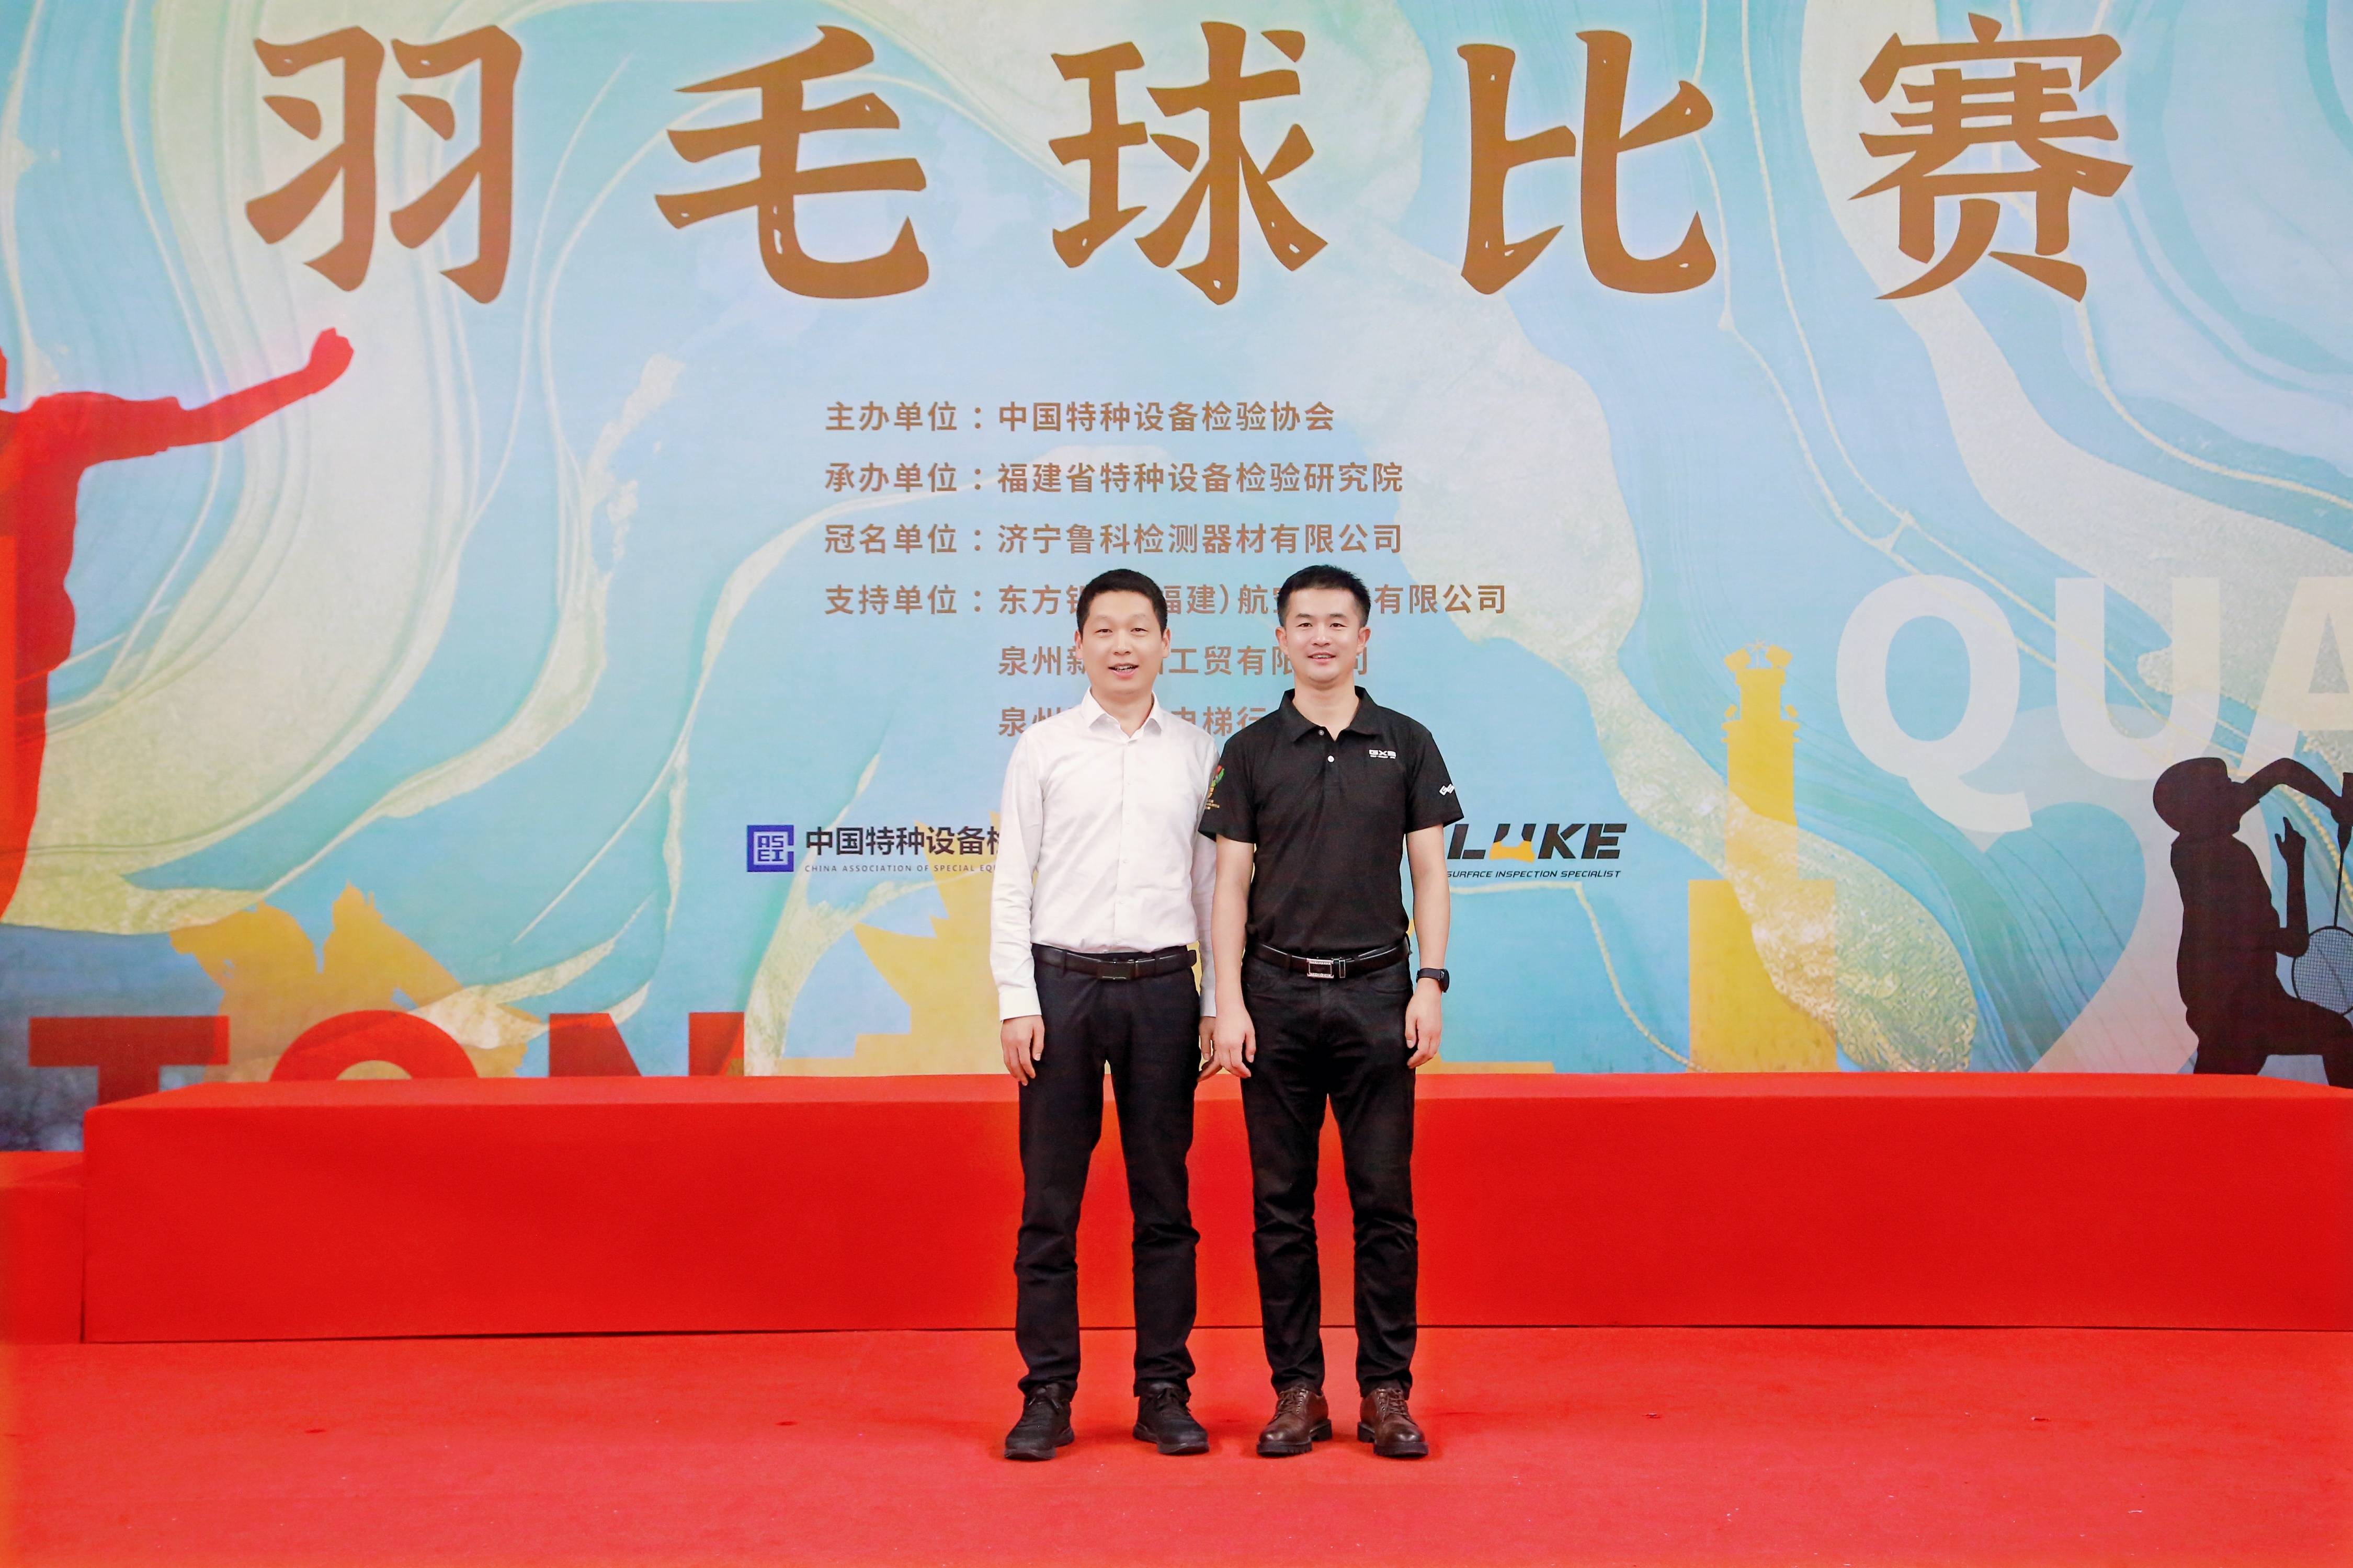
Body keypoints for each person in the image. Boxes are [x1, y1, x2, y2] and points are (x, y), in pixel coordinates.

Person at [1200, 563, 1462, 1460]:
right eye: (1304, 622)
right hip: (1272, 996)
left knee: (1383, 1202)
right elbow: (1228, 884)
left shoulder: (1407, 741)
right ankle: (1297, 1389)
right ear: (1280, 638)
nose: (1320, 636)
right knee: (1280, 1206)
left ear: (1363, 637)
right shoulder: (1248, 750)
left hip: (1377, 993)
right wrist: (1227, 1000)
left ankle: (1386, 1389)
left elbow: (1429, 872)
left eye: (1336, 622)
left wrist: (1429, 981)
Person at [0, 328, 353, 919]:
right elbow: (201, 425)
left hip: (21, 674)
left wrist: (305, 380)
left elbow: (203, 425)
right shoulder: (57, 428)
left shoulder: (57, 427)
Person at [990, 568, 1221, 1460]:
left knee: (1164, 1202)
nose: (1121, 645)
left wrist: (1216, 1002)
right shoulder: (1042, 746)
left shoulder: (1198, 751)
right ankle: (1046, 1392)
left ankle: (1163, 1389)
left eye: (1138, 628)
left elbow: (1211, 890)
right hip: (1061, 991)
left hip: (1164, 990)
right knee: (1049, 1203)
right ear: (1077, 644)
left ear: (1165, 643)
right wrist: (1017, 999)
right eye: (1104, 629)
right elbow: (1012, 880)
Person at [2154, 754, 2353, 1086]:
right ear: (2203, 809)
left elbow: (2294, 943)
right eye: (2224, 788)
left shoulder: (2196, 851)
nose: (2237, 790)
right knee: (2339, 1036)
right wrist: (2335, 804)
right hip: (2240, 1011)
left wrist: (2296, 863)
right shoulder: (2215, 857)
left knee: (2210, 1100)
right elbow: (2294, 943)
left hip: (2243, 1009)